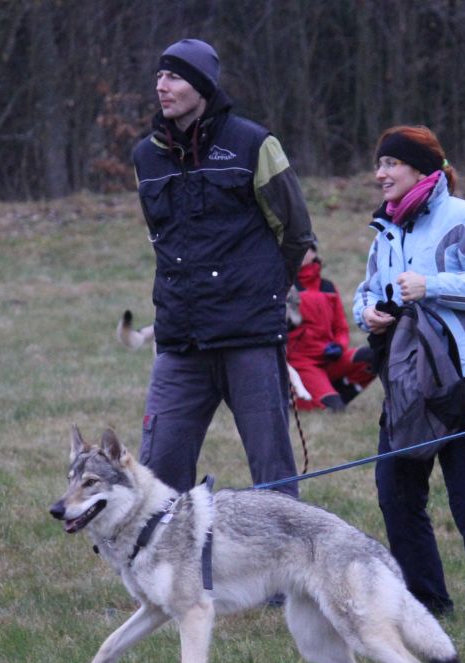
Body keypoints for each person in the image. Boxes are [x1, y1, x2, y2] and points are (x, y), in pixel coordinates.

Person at [353, 125, 465, 624]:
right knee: (395, 487)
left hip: (460, 376)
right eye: (379, 163)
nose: (380, 173)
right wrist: (366, 313)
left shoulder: (463, 217)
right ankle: (426, 599)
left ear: (422, 170)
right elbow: (365, 291)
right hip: (406, 379)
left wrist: (430, 285)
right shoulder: (385, 228)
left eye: (391, 163)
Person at [132, 39, 315, 497]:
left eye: (173, 76)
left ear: (202, 85)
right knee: (156, 478)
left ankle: (286, 566)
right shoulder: (146, 157)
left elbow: (295, 232)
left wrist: (265, 290)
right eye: (159, 76)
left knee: (273, 479)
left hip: (249, 334)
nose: (161, 85)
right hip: (180, 339)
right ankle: (164, 568)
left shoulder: (253, 143)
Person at [287, 244, 376, 411]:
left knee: (374, 356)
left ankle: (332, 395)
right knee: (332, 408)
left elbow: (341, 327)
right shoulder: (286, 286)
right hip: (303, 363)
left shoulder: (328, 287)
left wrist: (339, 346)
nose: (299, 253)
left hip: (330, 358)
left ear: (314, 252)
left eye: (304, 248)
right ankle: (294, 399)